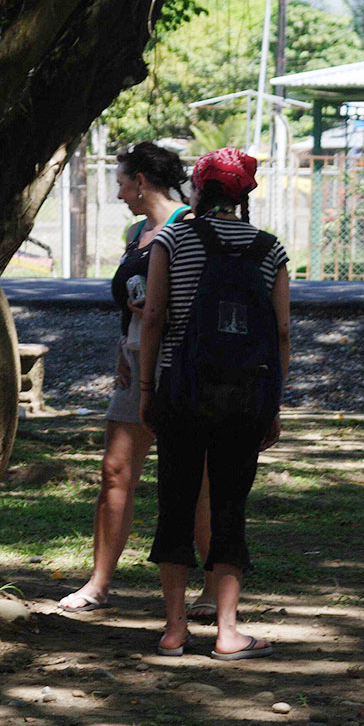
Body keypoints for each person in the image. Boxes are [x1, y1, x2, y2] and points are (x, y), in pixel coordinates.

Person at [137, 148, 290, 660]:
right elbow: (282, 332)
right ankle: (228, 632)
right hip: (246, 398)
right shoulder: (270, 250)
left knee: (176, 502)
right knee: (229, 507)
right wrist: (273, 404)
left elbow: (153, 318)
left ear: (200, 189)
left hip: (180, 390)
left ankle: (175, 630)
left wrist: (145, 390)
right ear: (244, 193)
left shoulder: (173, 239)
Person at [59, 142, 217, 618]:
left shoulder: (190, 227)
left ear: (142, 182)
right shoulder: (136, 231)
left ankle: (212, 590)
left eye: (123, 183)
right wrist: (124, 348)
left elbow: (197, 300)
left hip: (180, 368)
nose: (121, 193)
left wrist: (158, 318)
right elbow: (129, 299)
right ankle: (99, 583)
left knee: (198, 482)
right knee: (114, 471)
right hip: (134, 362)